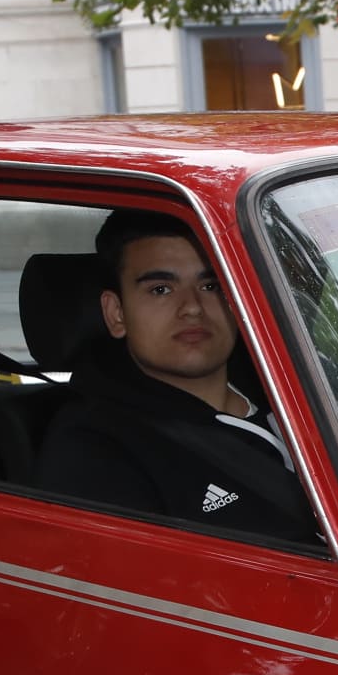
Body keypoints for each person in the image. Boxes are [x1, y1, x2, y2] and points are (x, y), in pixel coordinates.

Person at [34, 210, 318, 544]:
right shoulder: (93, 451)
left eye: (210, 285)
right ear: (116, 313)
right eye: (161, 289)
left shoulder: (299, 386)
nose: (193, 307)